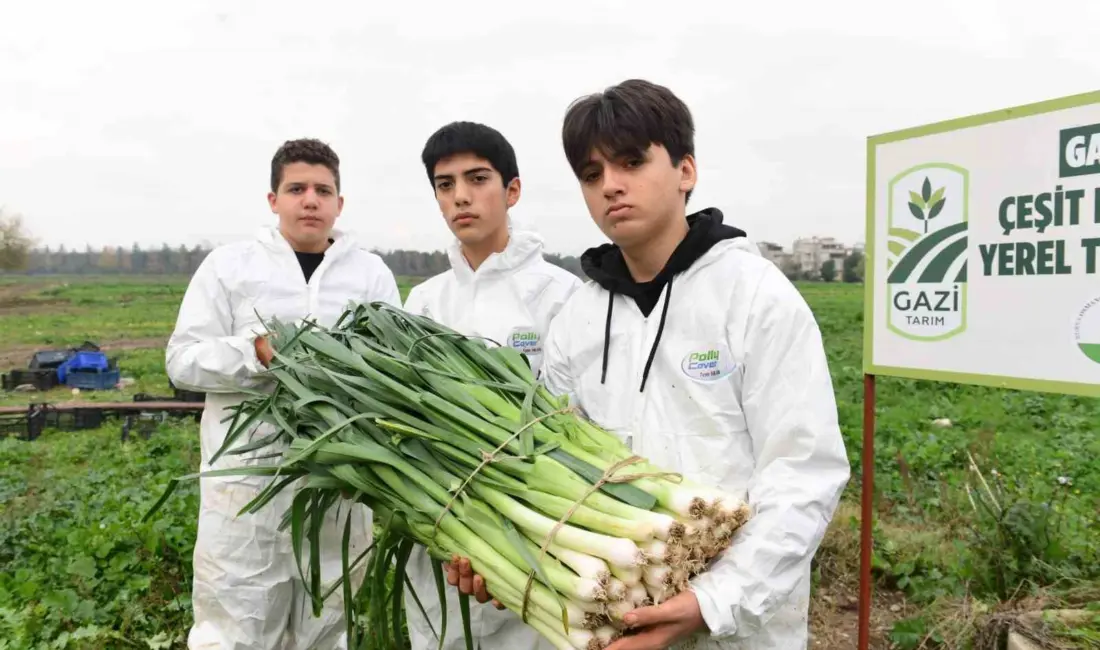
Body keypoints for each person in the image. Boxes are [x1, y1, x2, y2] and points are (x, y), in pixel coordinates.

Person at [450, 79, 851, 649]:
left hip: (739, 629)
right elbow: (550, 463)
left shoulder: (754, 295)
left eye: (632, 162)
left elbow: (804, 471)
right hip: (617, 617)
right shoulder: (579, 318)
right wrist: (504, 557)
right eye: (591, 174)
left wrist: (713, 600)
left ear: (686, 170)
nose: (611, 185)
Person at [166, 138, 402, 650]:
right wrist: (255, 353)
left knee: (327, 626)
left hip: (337, 488)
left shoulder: (370, 275)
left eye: (323, 190)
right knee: (235, 630)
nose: (310, 200)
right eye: (296, 189)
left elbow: (392, 375)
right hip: (246, 490)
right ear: (273, 200)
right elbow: (182, 360)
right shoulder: (229, 267)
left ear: (340, 202)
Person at [400, 120, 583, 650]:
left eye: (477, 179)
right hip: (444, 533)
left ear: (512, 190)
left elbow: (579, 419)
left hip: (536, 537)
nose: (461, 196)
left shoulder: (562, 295)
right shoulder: (423, 303)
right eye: (445, 184)